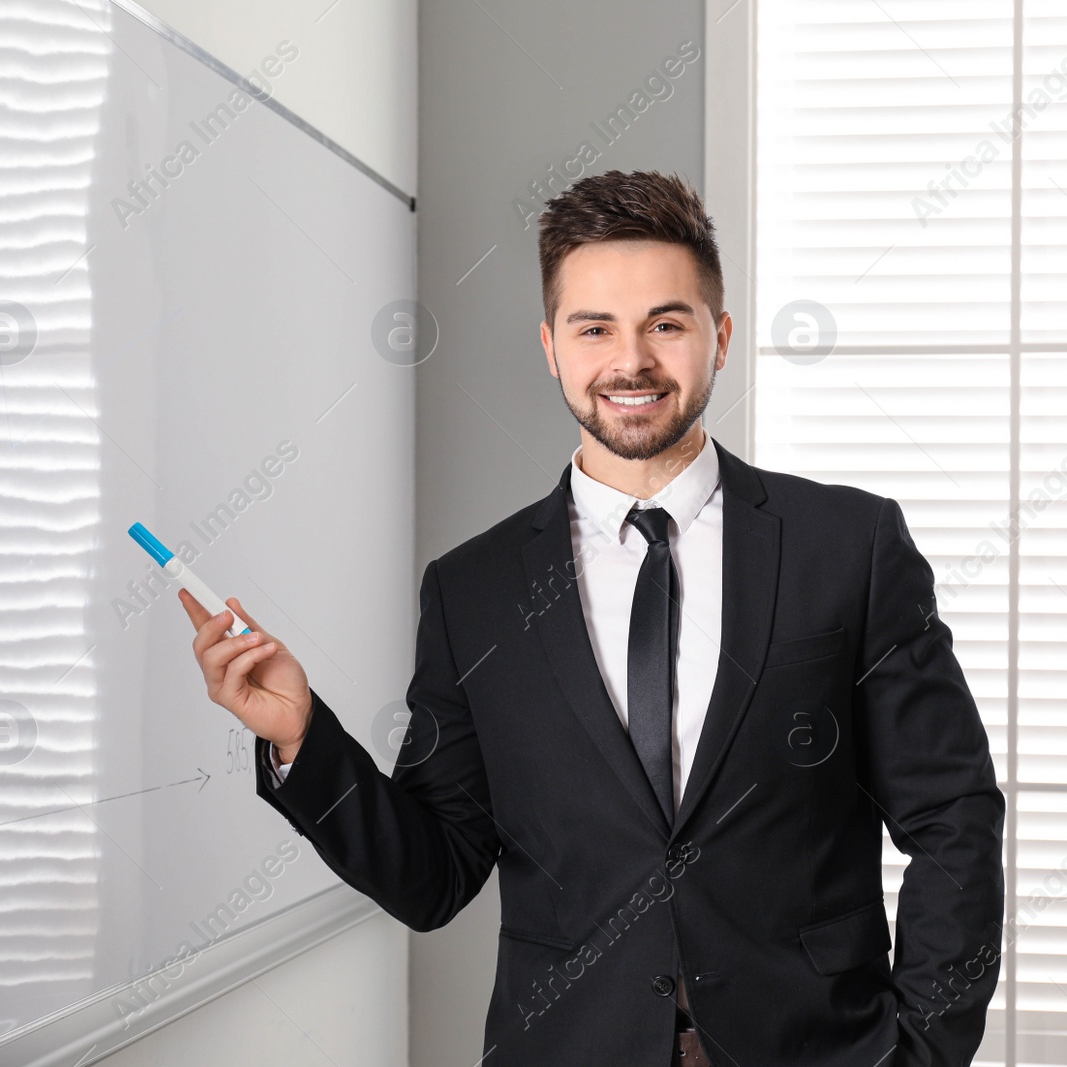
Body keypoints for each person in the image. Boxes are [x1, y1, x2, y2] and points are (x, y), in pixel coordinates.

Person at [180, 169, 1004, 1066]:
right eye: (595, 328)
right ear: (551, 347)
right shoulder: (474, 590)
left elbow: (953, 816)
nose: (632, 361)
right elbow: (436, 876)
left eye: (666, 323)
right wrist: (305, 741)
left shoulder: (847, 545)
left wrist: (920, 1050)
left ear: (719, 337)